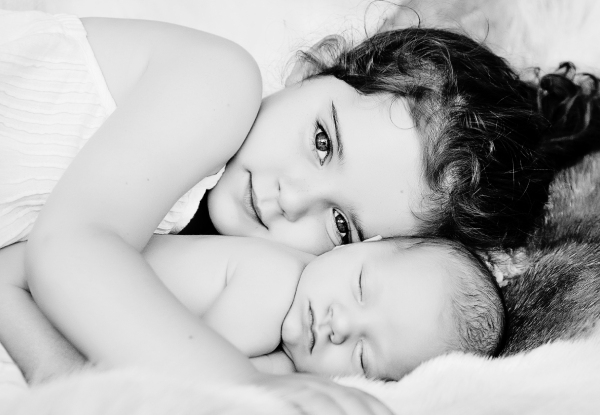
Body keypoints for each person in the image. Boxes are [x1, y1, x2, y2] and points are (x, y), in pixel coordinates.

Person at [0, 8, 596, 415]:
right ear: (309, 73)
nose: (293, 197)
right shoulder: (218, 84)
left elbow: (13, 269)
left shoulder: (205, 245)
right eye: (322, 142)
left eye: (341, 225)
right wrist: (244, 389)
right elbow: (69, 250)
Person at [0, 235, 504, 383]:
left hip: (42, 294)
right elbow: (187, 380)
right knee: (65, 378)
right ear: (361, 244)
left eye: (364, 356)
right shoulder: (275, 279)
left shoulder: (287, 340)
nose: (340, 325)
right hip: (22, 280)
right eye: (361, 287)